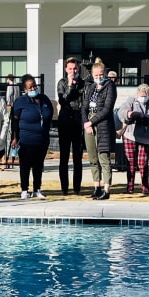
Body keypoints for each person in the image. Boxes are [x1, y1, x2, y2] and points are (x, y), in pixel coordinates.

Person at [11, 74, 53, 199]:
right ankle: (24, 189)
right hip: (26, 139)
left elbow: (49, 114)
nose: (33, 88)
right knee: (25, 165)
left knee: (38, 165)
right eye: (30, 87)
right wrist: (14, 137)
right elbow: (14, 120)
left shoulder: (44, 99)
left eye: (34, 85)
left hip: (42, 139)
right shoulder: (20, 101)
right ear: (25, 89)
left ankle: (37, 189)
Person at [81, 61, 117, 200]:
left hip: (103, 126)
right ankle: (97, 187)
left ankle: (107, 189)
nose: (98, 77)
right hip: (89, 125)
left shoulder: (110, 86)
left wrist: (92, 121)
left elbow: (107, 109)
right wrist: (86, 123)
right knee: (93, 158)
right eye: (96, 75)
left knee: (104, 158)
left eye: (101, 75)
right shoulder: (90, 88)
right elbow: (84, 107)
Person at [117, 83, 149, 195]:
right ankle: (130, 186)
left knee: (143, 163)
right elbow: (121, 112)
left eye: (145, 96)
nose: (143, 98)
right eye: (141, 95)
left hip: (145, 137)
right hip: (130, 135)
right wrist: (130, 114)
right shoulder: (131, 101)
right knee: (131, 163)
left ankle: (145, 187)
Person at [57, 56, 85, 195]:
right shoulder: (62, 82)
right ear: (65, 69)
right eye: (70, 69)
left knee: (77, 156)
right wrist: (69, 85)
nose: (73, 71)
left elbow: (83, 102)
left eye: (75, 68)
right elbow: (63, 100)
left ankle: (77, 187)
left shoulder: (83, 83)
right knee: (64, 155)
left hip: (78, 119)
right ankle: (64, 188)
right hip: (65, 119)